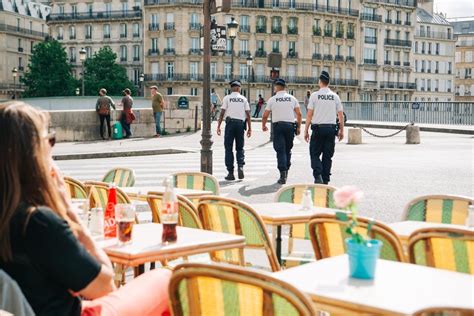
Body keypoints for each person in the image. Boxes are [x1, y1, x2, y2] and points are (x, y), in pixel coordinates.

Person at [0, 101, 171, 316]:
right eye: (50, 141)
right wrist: (68, 210)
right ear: (33, 154)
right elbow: (104, 287)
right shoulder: (37, 222)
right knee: (164, 280)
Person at [304, 71, 344, 184]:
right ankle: (325, 179)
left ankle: (318, 175)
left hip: (318, 129)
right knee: (327, 156)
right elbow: (340, 115)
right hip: (331, 130)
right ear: (329, 82)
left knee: (314, 153)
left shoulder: (314, 95)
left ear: (320, 82)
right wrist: (341, 130)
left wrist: (306, 130)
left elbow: (309, 114)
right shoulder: (335, 96)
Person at [262, 79, 302, 184]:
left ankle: (282, 173)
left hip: (278, 127)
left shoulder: (272, 99)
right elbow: (299, 114)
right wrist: (298, 127)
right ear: (285, 87)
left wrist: (264, 125)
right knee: (288, 149)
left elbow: (265, 115)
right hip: (290, 126)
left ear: (276, 87)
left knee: (280, 150)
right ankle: (286, 169)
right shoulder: (292, 98)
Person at [217, 80, 251, 181]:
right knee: (240, 148)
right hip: (240, 125)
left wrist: (218, 126)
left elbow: (222, 113)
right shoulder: (243, 99)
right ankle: (240, 166)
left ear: (231, 88)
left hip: (230, 124)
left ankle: (230, 173)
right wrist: (250, 128)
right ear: (239, 88)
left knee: (228, 148)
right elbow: (248, 115)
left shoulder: (227, 98)